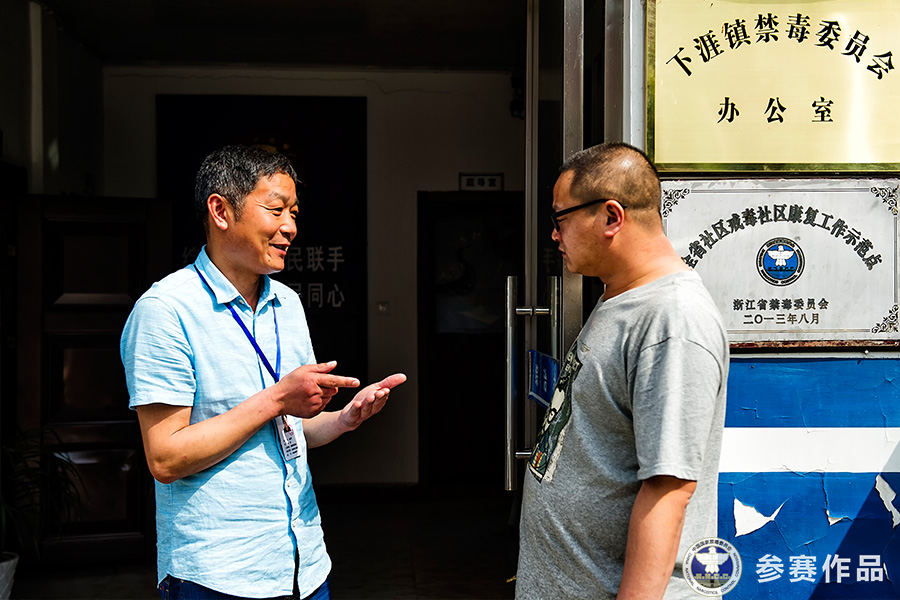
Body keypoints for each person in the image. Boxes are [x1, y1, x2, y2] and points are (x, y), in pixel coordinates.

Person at [120, 144, 406, 600]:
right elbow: (166, 458)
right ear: (220, 211)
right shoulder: (165, 310)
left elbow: (290, 428)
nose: (290, 227)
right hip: (216, 574)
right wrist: (276, 398)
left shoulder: (286, 304)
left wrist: (344, 419)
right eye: (276, 210)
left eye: (294, 212)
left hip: (304, 564)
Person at [515, 142, 728, 600]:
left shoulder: (672, 321)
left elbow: (668, 490)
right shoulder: (623, 297)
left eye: (560, 218)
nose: (554, 234)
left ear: (611, 216)